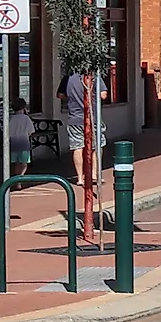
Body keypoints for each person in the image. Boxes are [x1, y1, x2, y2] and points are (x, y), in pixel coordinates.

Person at [63, 65, 101, 246]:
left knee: (77, 147)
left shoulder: (68, 78)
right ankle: (93, 173)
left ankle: (79, 177)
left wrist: (73, 98)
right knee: (95, 146)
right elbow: (103, 95)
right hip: (92, 116)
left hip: (74, 117)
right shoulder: (94, 75)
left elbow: (60, 95)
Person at [6, 97, 36, 178]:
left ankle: (16, 178)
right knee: (24, 163)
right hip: (24, 143)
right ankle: (21, 177)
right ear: (24, 107)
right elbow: (31, 131)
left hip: (13, 143)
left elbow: (7, 132)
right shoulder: (26, 118)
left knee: (16, 163)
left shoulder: (11, 118)